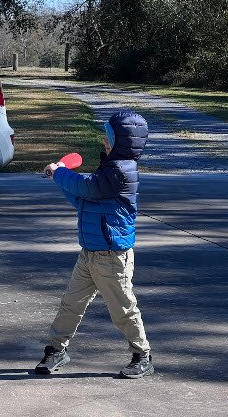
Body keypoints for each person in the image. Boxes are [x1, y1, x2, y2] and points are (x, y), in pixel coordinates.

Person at [35, 110, 154, 379]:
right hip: (89, 253)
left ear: (122, 141)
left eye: (109, 136)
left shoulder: (122, 172)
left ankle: (142, 355)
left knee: (123, 309)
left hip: (112, 256)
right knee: (71, 303)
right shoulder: (108, 170)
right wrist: (59, 179)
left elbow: (87, 187)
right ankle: (56, 349)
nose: (104, 140)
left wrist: (61, 172)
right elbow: (83, 199)